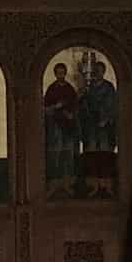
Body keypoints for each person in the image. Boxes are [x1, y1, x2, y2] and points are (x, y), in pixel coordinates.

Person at [42, 60, 81, 193]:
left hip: (68, 127)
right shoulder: (51, 89)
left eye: (62, 73)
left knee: (68, 153)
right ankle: (54, 182)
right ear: (55, 74)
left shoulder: (70, 88)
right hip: (55, 127)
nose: (60, 75)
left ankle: (67, 182)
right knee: (55, 153)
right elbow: (45, 109)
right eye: (58, 73)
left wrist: (71, 114)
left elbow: (76, 106)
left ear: (65, 73)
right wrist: (55, 107)